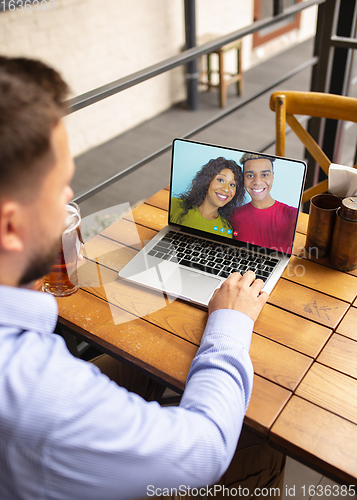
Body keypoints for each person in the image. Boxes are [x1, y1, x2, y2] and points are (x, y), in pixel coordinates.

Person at [0, 56, 285, 500]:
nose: (68, 199)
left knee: (142, 358)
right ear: (10, 228)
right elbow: (204, 449)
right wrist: (231, 323)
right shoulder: (40, 391)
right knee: (260, 446)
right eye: (57, 186)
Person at [230, 153, 298, 253]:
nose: (257, 182)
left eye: (264, 175)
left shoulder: (293, 215)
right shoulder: (233, 215)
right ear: (243, 179)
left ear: (272, 176)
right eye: (250, 175)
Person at [170, 157, 245, 237]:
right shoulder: (174, 205)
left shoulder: (226, 230)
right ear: (207, 181)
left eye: (232, 184)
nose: (226, 189)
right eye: (220, 180)